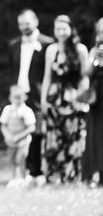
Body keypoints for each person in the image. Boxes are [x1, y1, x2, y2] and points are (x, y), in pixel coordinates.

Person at [40, 15, 89, 183]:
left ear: (70, 29)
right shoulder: (51, 50)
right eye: (57, 28)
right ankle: (54, 176)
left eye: (64, 28)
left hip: (73, 98)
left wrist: (80, 96)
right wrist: (44, 99)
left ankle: (72, 175)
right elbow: (47, 76)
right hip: (55, 97)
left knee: (73, 136)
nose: (61, 32)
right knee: (54, 137)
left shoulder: (80, 49)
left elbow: (84, 76)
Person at [8, 9, 54, 181]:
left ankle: (37, 170)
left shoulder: (48, 43)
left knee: (37, 131)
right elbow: (12, 70)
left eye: (27, 23)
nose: (24, 27)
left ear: (36, 22)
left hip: (37, 94)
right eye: (21, 24)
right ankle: (25, 171)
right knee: (19, 130)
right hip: (19, 95)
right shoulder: (13, 45)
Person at [0, 85, 37, 187]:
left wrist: (19, 136)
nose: (17, 100)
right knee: (11, 160)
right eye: (15, 97)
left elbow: (31, 127)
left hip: (23, 141)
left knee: (20, 159)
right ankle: (14, 178)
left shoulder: (26, 111)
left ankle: (23, 178)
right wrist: (7, 136)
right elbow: (3, 125)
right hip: (11, 142)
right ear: (10, 98)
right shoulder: (7, 110)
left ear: (24, 97)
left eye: (19, 97)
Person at [82, 18, 103, 187]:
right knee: (96, 135)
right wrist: (92, 58)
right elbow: (87, 73)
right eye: (100, 31)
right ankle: (96, 172)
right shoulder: (95, 50)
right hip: (97, 97)